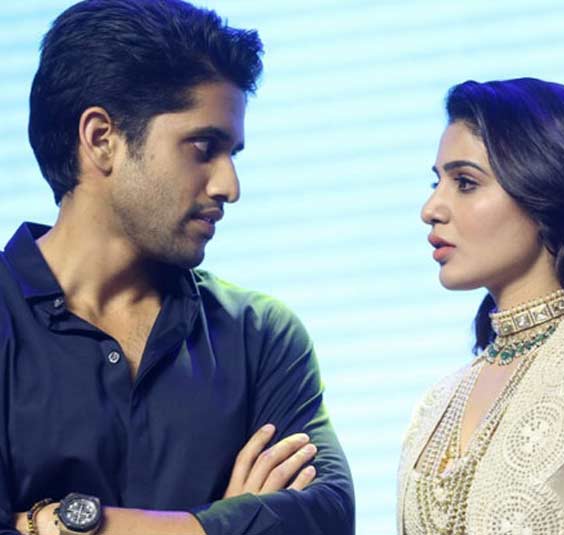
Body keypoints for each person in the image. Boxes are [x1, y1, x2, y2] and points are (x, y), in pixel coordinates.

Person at [0, 1, 354, 534]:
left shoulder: (259, 337)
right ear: (101, 139)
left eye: (233, 154)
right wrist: (229, 522)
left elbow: (326, 514)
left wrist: (67, 525)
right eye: (203, 148)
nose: (229, 186)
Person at [397, 77, 564, 534]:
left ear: (547, 191)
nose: (431, 208)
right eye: (436, 182)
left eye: (465, 183)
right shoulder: (437, 404)